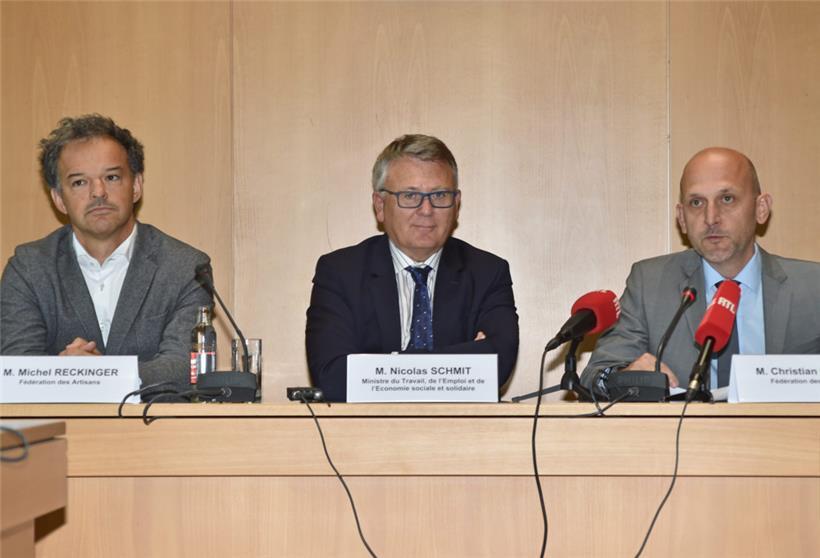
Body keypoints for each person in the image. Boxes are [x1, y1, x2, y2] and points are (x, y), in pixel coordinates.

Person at [581, 147, 820, 395]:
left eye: (727, 199)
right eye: (696, 203)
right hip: (686, 433)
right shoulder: (649, 283)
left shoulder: (813, 287)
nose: (711, 217)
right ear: (682, 218)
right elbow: (596, 374)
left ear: (761, 208)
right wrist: (625, 376)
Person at [1, 114, 211, 388]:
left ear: (136, 186)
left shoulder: (186, 267)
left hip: (154, 429)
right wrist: (74, 373)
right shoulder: (29, 268)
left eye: (111, 177)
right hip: (60, 428)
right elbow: (16, 368)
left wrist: (100, 374)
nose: (98, 192)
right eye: (79, 182)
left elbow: (185, 368)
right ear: (58, 198)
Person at [306, 134, 519, 402]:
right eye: (410, 195)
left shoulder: (487, 272)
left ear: (456, 204)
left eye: (440, 195)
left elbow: (495, 368)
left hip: (462, 435)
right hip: (365, 436)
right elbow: (333, 377)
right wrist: (461, 361)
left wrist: (381, 368)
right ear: (380, 206)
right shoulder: (340, 273)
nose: (427, 209)